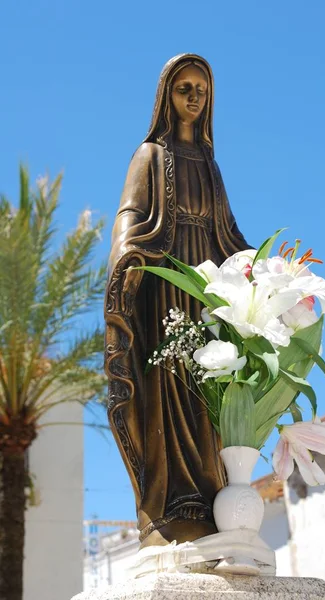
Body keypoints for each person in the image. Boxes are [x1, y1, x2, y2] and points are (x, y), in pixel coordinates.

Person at [105, 54, 251, 548]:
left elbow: (228, 233)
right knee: (168, 392)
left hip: (205, 293)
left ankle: (210, 502)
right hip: (165, 289)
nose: (193, 97)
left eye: (201, 90)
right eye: (183, 87)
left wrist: (265, 271)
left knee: (207, 397)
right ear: (166, 95)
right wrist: (128, 259)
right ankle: (167, 509)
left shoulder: (210, 165)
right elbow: (129, 217)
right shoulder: (150, 155)